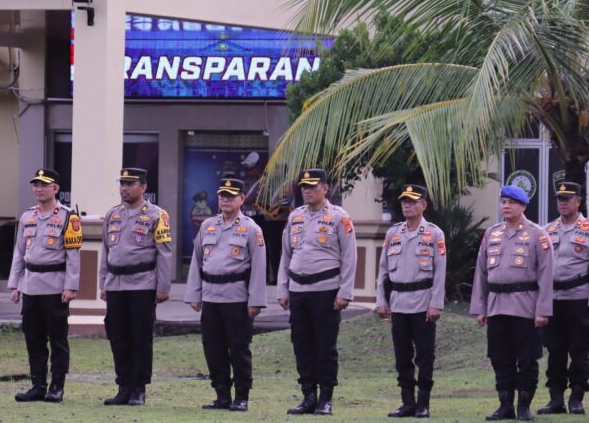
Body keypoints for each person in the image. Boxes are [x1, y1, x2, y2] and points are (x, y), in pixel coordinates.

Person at [277, 168, 357, 416]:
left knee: (325, 346)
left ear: (325, 188)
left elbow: (350, 256)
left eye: (312, 186)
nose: (307, 191)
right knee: (301, 345)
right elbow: (286, 255)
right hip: (298, 290)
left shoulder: (339, 217)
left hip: (326, 290)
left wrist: (345, 292)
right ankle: (308, 396)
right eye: (304, 187)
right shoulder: (295, 217)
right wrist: (283, 289)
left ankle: (326, 398)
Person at [471, 185, 554, 421]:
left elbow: (546, 275)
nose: (506, 206)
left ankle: (524, 407)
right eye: (503, 202)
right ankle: (505, 405)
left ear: (523, 206)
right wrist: (480, 307)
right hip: (497, 305)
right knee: (500, 358)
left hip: (525, 306)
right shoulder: (491, 234)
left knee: (527, 359)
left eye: (512, 202)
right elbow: (481, 273)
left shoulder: (537, 234)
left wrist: (543, 310)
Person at [184, 178, 268, 412]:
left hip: (237, 298)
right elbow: (197, 261)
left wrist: (255, 301)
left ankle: (241, 396)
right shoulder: (207, 225)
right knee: (213, 348)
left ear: (241, 199)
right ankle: (222, 395)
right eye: (222, 195)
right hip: (211, 297)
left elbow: (259, 267)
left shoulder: (251, 228)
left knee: (239, 349)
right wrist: (194, 294)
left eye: (230, 196)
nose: (225, 200)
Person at [99, 167, 174, 407]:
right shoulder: (113, 215)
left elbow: (164, 253)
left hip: (142, 283)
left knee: (140, 337)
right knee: (117, 336)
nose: (124, 188)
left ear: (143, 187)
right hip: (115, 284)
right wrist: (103, 283)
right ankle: (123, 386)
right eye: (122, 183)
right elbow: (106, 251)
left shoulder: (156, 215)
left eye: (130, 184)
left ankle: (139, 388)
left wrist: (163, 286)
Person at [7, 169, 81, 403]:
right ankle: (38, 385)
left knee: (57, 339)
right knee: (33, 338)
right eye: (35, 185)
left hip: (55, 286)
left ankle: (57, 386)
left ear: (55, 188)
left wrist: (71, 286)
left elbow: (73, 256)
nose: (38, 189)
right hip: (30, 285)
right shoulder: (27, 216)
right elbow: (19, 253)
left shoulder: (68, 217)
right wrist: (15, 284)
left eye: (44, 185)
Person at [375, 184, 447, 419]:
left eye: (412, 201)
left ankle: (423, 403)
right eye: (404, 201)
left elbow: (440, 272)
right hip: (398, 302)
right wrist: (381, 300)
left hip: (423, 301)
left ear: (423, 205)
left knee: (425, 355)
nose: (406, 205)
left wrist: (436, 303)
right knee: (402, 354)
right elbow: (383, 270)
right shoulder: (393, 233)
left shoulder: (434, 234)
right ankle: (407, 402)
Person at [537, 181, 589, 416]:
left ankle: (576, 397)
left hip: (579, 298)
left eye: (567, 198)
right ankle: (556, 399)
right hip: (553, 298)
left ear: (578, 201)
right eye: (559, 198)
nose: (562, 203)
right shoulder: (547, 230)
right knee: (555, 350)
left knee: (579, 350)